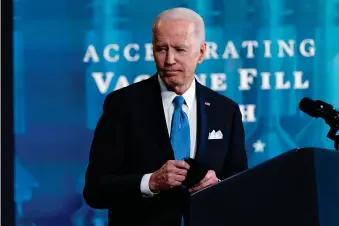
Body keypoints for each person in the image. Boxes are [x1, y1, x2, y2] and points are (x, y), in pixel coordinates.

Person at [83, 7, 248, 226]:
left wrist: (218, 183)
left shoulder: (226, 111)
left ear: (201, 52)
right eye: (161, 49)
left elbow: (242, 184)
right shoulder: (122, 105)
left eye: (180, 49)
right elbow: (95, 189)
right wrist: (150, 183)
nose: (169, 60)